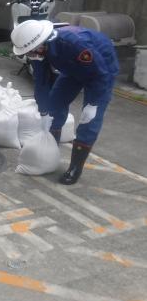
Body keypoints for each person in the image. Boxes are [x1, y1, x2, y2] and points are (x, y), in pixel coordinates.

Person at [11, 20, 119, 184]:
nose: (31, 56)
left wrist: (93, 104)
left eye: (32, 52)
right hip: (71, 70)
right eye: (28, 53)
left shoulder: (75, 44)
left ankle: (75, 168)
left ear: (43, 43)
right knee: (54, 106)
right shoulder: (36, 50)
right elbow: (41, 82)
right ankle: (49, 150)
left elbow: (100, 74)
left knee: (89, 120)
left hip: (100, 72)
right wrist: (44, 110)